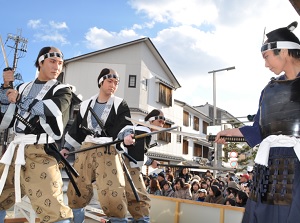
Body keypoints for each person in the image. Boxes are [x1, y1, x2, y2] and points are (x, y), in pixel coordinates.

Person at [215, 21, 300, 223]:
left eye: (266, 57)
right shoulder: (269, 89)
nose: (265, 64)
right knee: (262, 216)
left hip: (297, 163)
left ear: (284, 51)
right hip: (270, 165)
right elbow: (260, 129)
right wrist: (231, 133)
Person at [0, 46, 73, 222]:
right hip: (15, 150)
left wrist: (19, 99)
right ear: (41, 62)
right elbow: (6, 115)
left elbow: (52, 109)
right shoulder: (23, 87)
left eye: (60, 63)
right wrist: (5, 87)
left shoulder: (63, 90)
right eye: (52, 61)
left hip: (41, 150)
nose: (57, 67)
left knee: (53, 209)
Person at [61, 68, 135, 223]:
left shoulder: (119, 104)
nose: (113, 85)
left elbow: (125, 124)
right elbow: (77, 129)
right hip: (86, 149)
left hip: (108, 149)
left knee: (113, 191)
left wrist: (126, 136)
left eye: (116, 82)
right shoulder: (85, 104)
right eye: (110, 81)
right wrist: (66, 147)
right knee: (77, 188)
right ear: (101, 81)